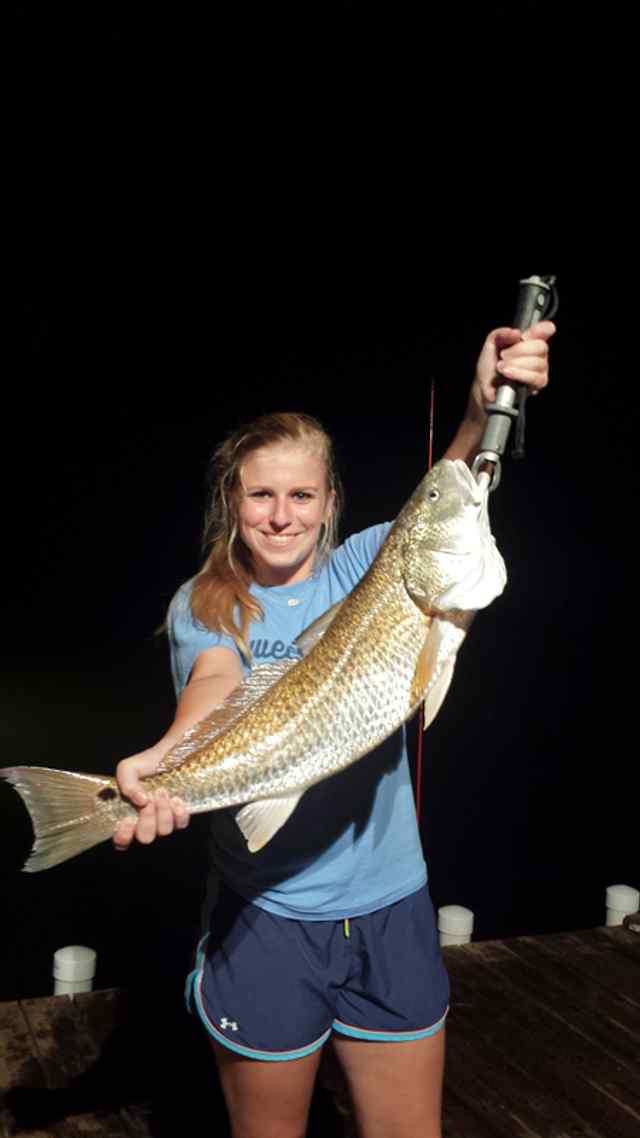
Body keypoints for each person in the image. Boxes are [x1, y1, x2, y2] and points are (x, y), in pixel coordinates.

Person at [114, 322, 554, 1138]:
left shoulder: (367, 568)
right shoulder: (205, 605)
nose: (281, 517)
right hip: (268, 917)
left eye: (302, 496)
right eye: (260, 495)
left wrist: (483, 402)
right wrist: (162, 764)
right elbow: (215, 686)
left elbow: (444, 495)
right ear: (232, 503)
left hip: (392, 906)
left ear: (329, 503)